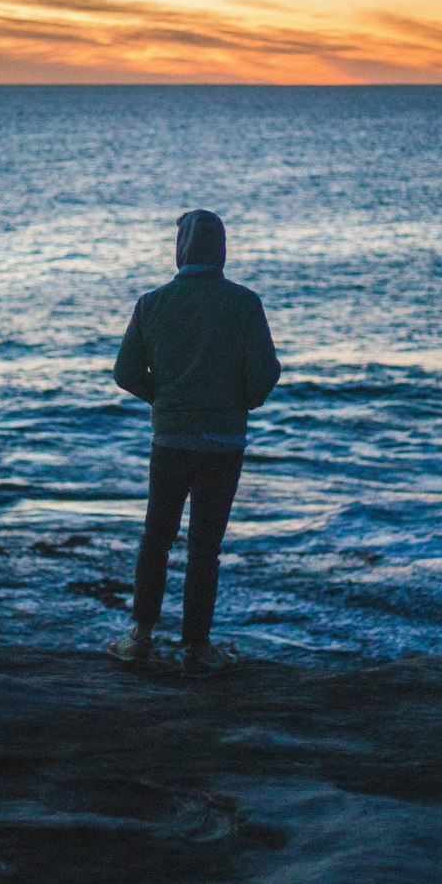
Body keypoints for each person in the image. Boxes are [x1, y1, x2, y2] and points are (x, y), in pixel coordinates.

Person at [109, 209, 281, 674]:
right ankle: (196, 649)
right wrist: (235, 403)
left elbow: (125, 374)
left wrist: (166, 400)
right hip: (223, 443)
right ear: (221, 248)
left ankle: (140, 637)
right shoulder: (244, 303)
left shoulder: (152, 303)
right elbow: (266, 375)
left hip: (171, 440)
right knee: (206, 547)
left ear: (180, 247)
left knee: (156, 539)